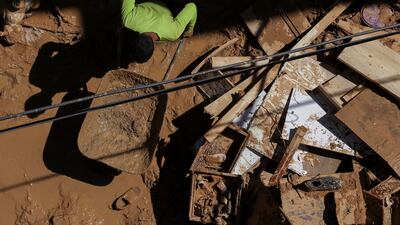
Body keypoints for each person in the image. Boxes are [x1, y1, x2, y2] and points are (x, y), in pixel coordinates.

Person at [121, 0, 197, 63]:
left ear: (154, 48)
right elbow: (192, 6)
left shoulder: (173, 33)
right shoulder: (128, 20)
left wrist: (189, 30)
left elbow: (192, 7)